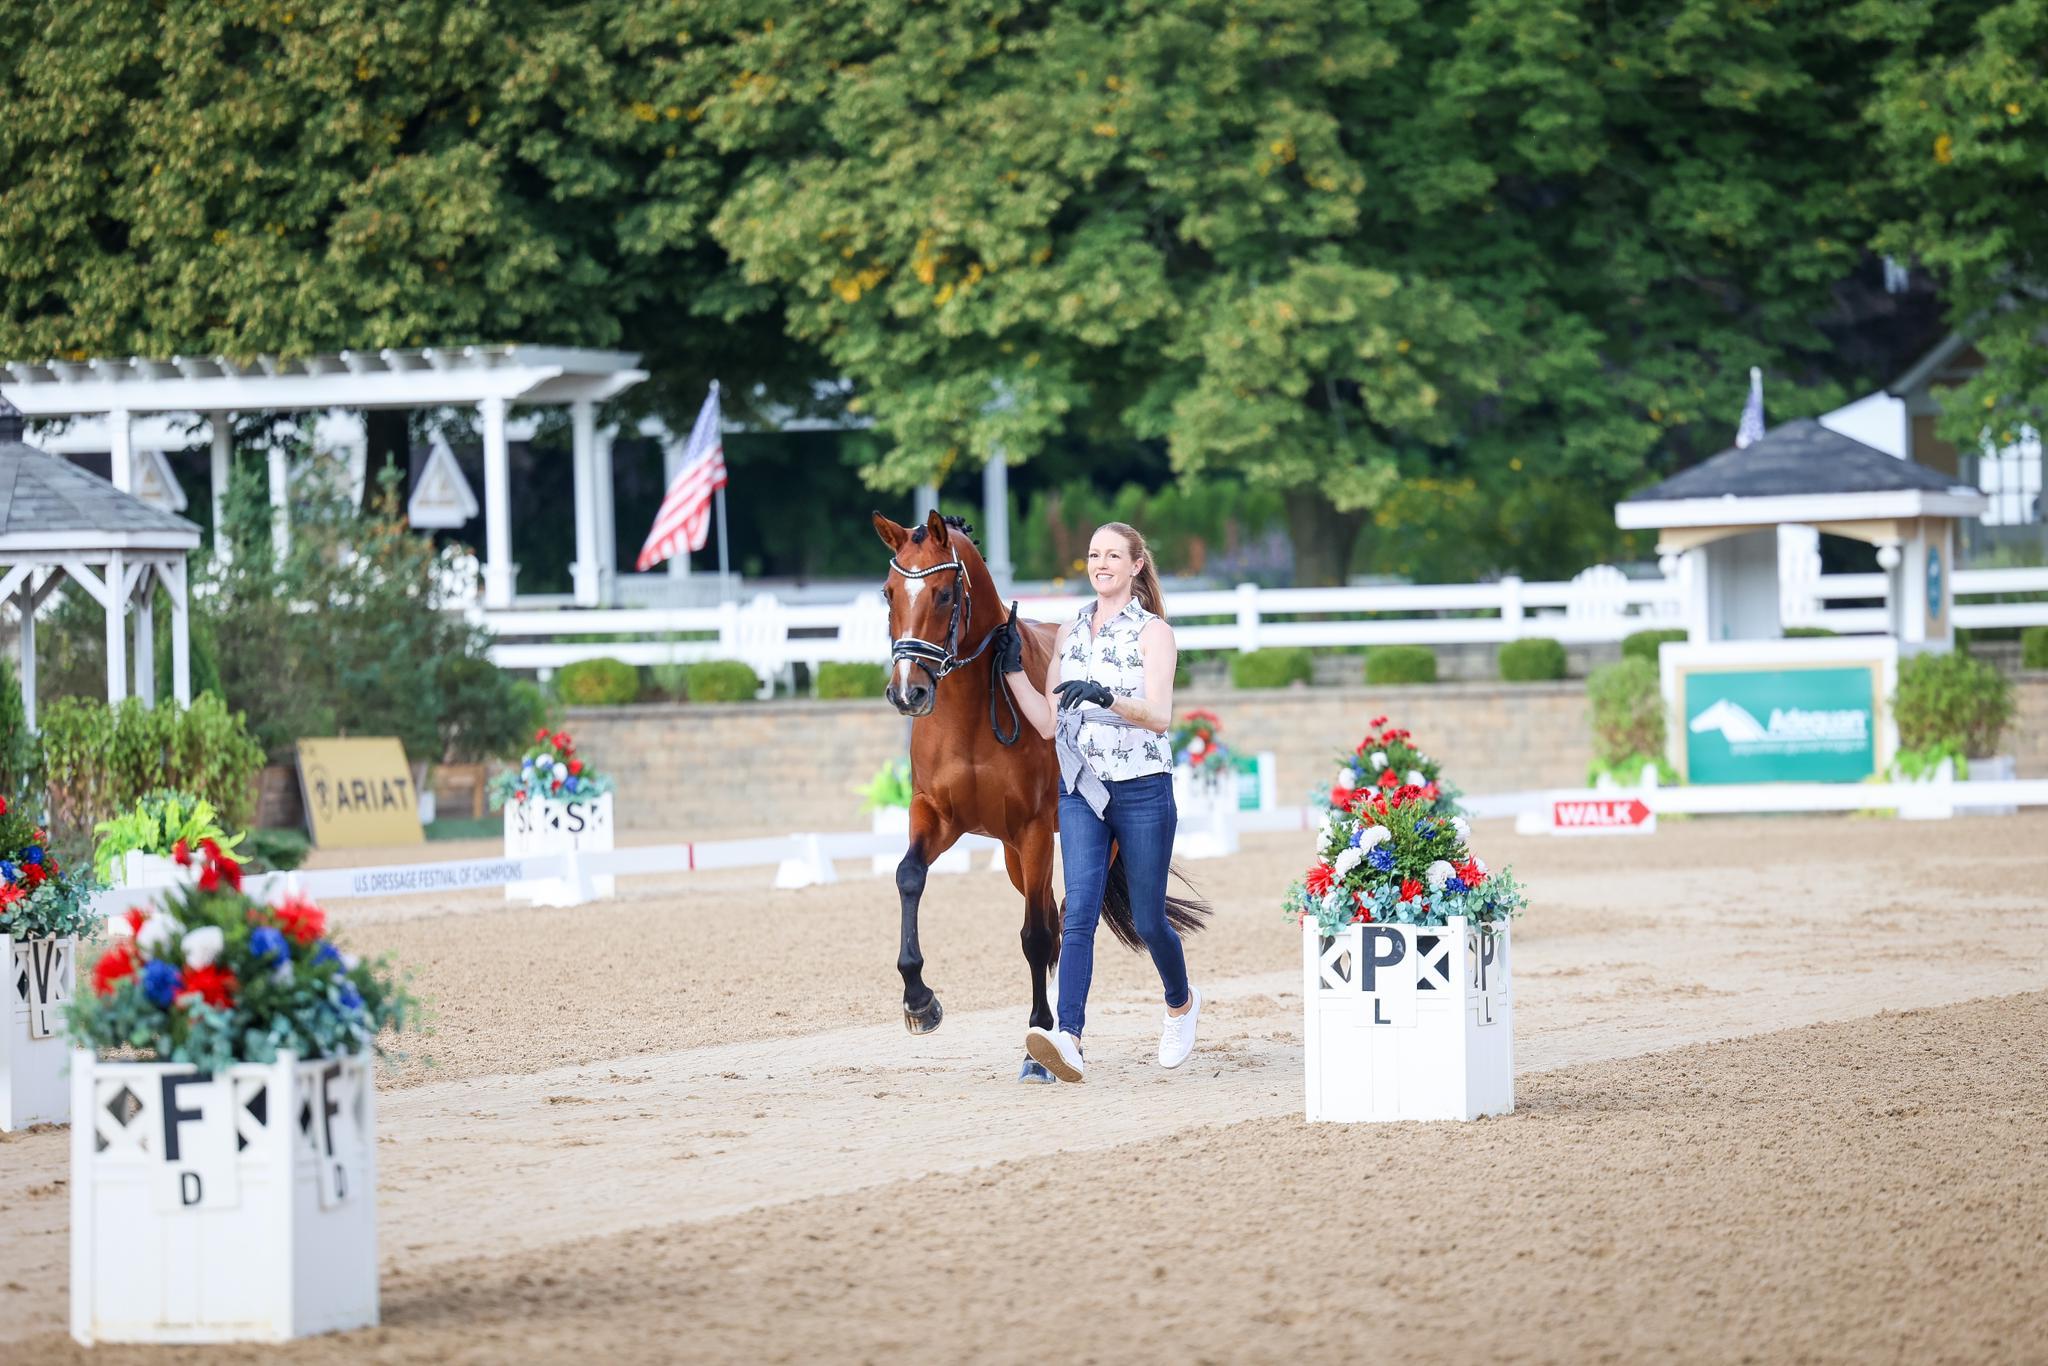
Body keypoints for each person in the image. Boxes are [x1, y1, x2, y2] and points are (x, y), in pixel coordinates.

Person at [996, 522, 1198, 1083]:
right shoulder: (1071, 632)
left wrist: (1108, 698)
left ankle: (1181, 1003)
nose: (1100, 563)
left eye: (1113, 555)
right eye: (1093, 554)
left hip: (1141, 788)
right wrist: (1014, 669)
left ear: (1136, 565)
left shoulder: (1153, 633)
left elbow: (1160, 715)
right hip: (1082, 788)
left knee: (1150, 918)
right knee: (1078, 910)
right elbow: (1045, 722)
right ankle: (1071, 1038)